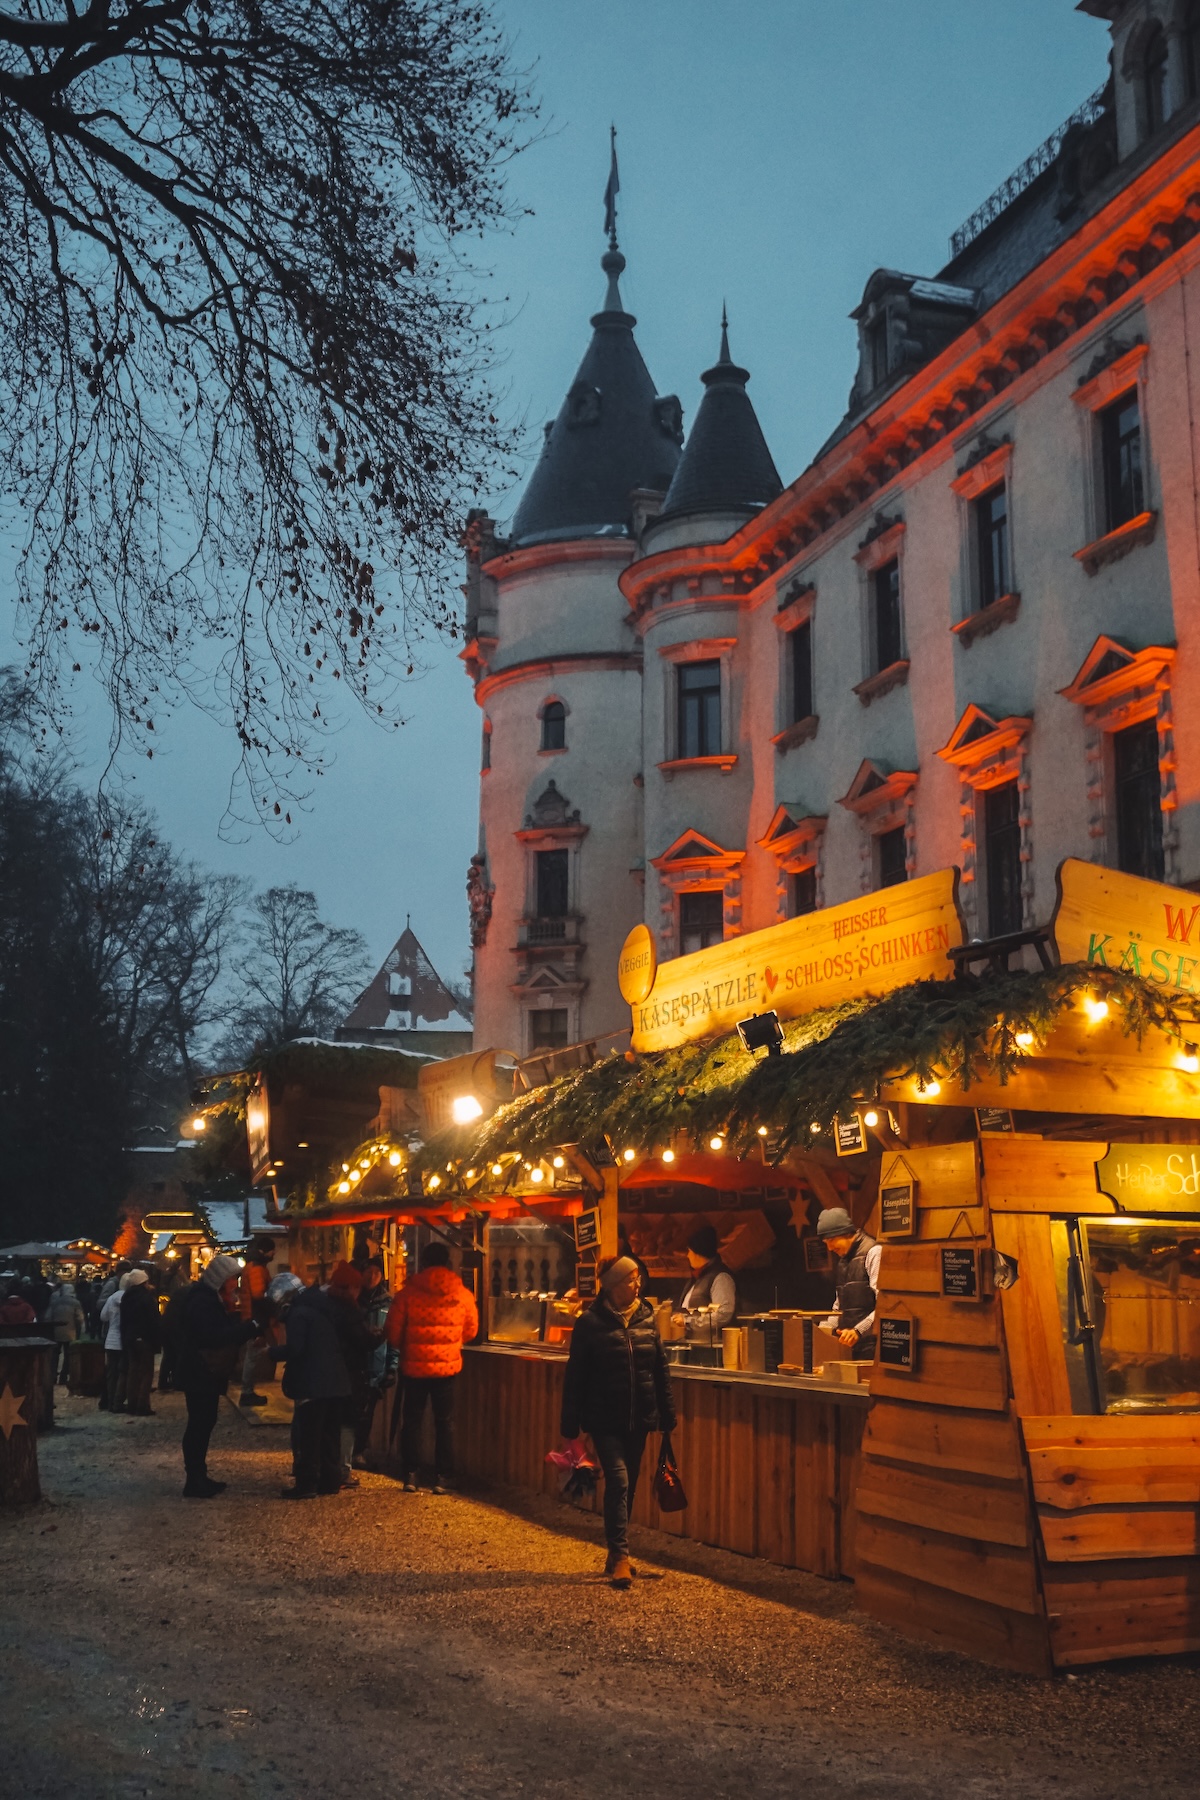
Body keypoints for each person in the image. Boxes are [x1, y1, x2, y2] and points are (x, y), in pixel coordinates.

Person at [560, 1254, 676, 1590]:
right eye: (630, 1279)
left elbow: (660, 1369)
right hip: (603, 1417)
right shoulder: (590, 1323)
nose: (637, 1284)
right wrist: (570, 1426)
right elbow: (575, 1376)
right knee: (620, 1481)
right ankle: (621, 1556)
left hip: (639, 1415)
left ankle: (615, 1553)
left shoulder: (647, 1318)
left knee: (631, 1484)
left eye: (638, 1277)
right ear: (612, 1285)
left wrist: (667, 1415)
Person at [385, 1243, 478, 1495]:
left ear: (423, 1262)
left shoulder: (408, 1293)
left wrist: (408, 1346)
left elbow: (392, 1334)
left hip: (413, 1368)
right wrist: (451, 1344)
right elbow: (471, 1330)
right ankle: (442, 1476)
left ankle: (411, 1474)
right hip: (446, 1369)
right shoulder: (462, 1293)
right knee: (444, 1422)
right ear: (447, 1262)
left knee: (412, 1421)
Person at [174, 1255, 261, 1498]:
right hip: (201, 1371)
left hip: (201, 1371)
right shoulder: (203, 1302)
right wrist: (249, 1328)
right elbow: (213, 1336)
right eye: (233, 1279)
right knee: (200, 1424)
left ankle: (199, 1475)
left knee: (203, 1423)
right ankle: (194, 1479)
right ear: (221, 1278)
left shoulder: (206, 1298)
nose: (235, 1284)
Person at [280, 1277, 352, 1499]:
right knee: (330, 1435)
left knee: (309, 1435)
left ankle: (307, 1484)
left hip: (312, 1383)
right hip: (337, 1381)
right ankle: (330, 1481)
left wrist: (272, 1353)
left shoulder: (299, 1314)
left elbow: (295, 1348)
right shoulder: (322, 1308)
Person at [325, 1261, 377, 1488]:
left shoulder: (325, 1306)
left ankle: (327, 1469)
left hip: (329, 1373)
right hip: (350, 1373)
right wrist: (380, 1336)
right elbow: (363, 1341)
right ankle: (343, 1471)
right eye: (356, 1287)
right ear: (350, 1288)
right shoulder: (350, 1311)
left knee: (329, 1422)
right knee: (347, 1423)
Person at [815, 1206, 881, 1363]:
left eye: (831, 1240)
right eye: (826, 1243)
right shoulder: (843, 1260)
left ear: (845, 1233)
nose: (830, 1248)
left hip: (872, 1347)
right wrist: (822, 1331)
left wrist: (859, 1331)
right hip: (849, 1348)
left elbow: (884, 1304)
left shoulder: (874, 1252)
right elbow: (839, 1306)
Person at [354, 1261, 396, 1468]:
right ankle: (348, 1452)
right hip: (354, 1365)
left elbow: (393, 1339)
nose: (372, 1276)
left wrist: (392, 1368)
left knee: (367, 1414)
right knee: (352, 1412)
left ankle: (358, 1451)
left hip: (376, 1368)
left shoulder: (388, 1302)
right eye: (368, 1271)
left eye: (377, 1273)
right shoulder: (353, 1300)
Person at [673, 1224, 737, 1343]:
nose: (687, 1256)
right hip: (694, 1344)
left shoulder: (721, 1278)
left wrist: (689, 1321)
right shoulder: (697, 1278)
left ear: (698, 1253)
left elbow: (724, 1313)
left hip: (711, 1347)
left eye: (689, 1251)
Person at [237, 1237, 276, 1406]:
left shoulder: (252, 1266)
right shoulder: (257, 1268)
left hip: (252, 1315)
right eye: (272, 1251)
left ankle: (248, 1390)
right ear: (265, 1251)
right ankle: (247, 1392)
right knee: (252, 1356)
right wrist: (272, 1295)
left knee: (252, 1354)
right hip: (255, 1317)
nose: (274, 1254)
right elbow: (258, 1294)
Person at [120, 1270, 162, 1414]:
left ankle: (131, 1403)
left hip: (130, 1338)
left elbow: (123, 1321)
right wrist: (157, 1340)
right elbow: (153, 1320)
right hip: (145, 1339)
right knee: (146, 1372)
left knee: (133, 1371)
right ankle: (142, 1405)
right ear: (143, 1282)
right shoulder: (147, 1298)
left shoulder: (126, 1297)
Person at [45, 1281, 86, 1384]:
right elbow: (80, 1318)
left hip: (56, 1332)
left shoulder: (56, 1302)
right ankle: (63, 1377)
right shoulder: (75, 1302)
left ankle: (53, 1376)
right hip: (70, 1332)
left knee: (55, 1355)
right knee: (68, 1356)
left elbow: (48, 1317)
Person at [99, 1274, 130, 1412]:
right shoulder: (129, 1298)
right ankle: (119, 1401)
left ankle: (110, 1401)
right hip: (123, 1341)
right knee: (122, 1372)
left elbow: (103, 1316)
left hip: (110, 1340)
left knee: (111, 1373)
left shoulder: (112, 1298)